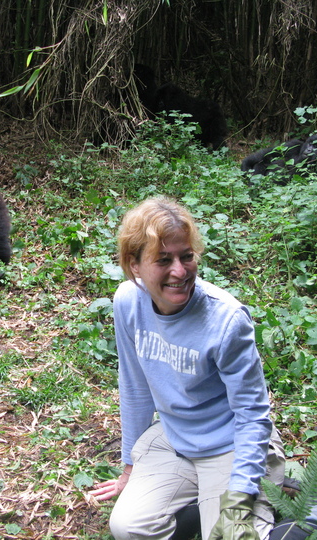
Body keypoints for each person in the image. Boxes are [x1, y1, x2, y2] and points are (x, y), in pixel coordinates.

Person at [89, 197, 285, 540]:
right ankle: (199, 507)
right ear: (135, 265)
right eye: (163, 260)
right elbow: (135, 388)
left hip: (231, 445)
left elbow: (253, 415)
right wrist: (129, 469)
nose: (179, 271)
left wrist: (239, 498)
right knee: (128, 527)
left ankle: (281, 516)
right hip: (175, 439)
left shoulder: (226, 320)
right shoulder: (128, 302)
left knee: (230, 534)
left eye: (187, 256)